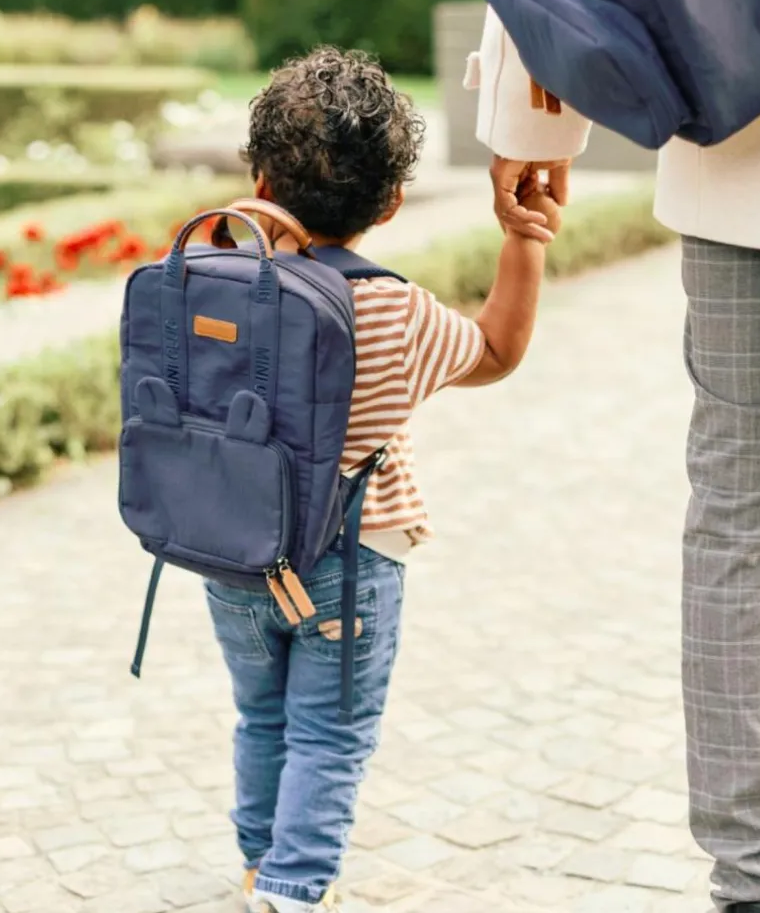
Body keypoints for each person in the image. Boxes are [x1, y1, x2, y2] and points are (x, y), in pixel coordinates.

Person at [467, 0, 760, 911]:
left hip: (753, 120)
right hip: (754, 131)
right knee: (744, 530)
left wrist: (531, 112)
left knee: (745, 531)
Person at [204, 46, 560, 913]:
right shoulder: (395, 311)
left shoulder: (212, 285)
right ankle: (293, 887)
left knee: (262, 715)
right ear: (393, 202)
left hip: (232, 548)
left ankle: (259, 862)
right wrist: (524, 235)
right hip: (350, 559)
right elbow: (497, 350)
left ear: (259, 178)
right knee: (330, 732)